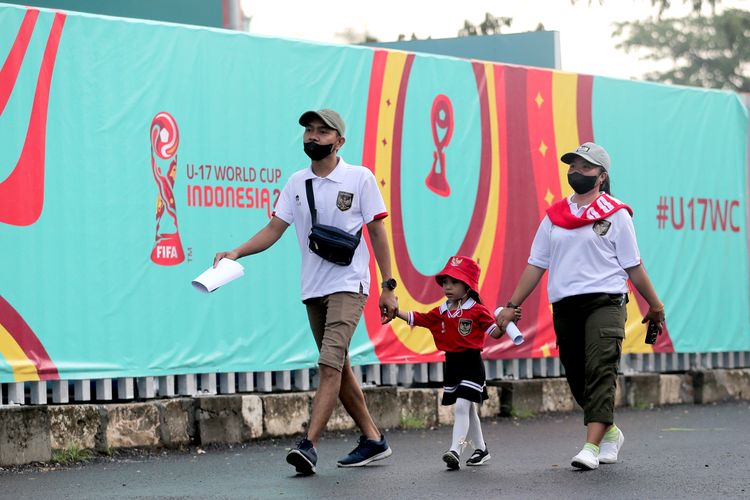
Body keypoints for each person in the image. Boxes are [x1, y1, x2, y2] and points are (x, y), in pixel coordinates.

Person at [213, 109, 398, 475]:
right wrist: (236, 251)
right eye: (308, 131)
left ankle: (308, 445)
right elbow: (274, 229)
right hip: (313, 288)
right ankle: (374, 439)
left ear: (339, 141)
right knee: (339, 367)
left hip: (350, 284)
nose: (312, 137)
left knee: (329, 364)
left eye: (322, 132)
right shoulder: (297, 182)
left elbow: (377, 232)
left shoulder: (359, 178)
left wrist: (388, 287)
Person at [495, 142, 666, 471]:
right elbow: (535, 265)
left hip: (606, 302)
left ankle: (590, 446)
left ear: (601, 176)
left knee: (601, 370)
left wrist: (654, 305)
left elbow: (634, 267)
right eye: (573, 166)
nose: (576, 172)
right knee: (577, 377)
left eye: (585, 167)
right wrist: (510, 306)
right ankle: (611, 433)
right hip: (566, 307)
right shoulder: (554, 217)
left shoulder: (616, 214)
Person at [395, 255, 521, 470]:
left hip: (471, 362)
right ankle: (481, 449)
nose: (448, 286)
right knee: (468, 408)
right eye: (445, 282)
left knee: (462, 406)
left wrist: (507, 322)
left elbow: (496, 333)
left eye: (454, 282)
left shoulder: (478, 310)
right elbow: (420, 318)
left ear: (468, 286)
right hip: (452, 363)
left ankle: (455, 449)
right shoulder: (442, 311)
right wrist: (396, 312)